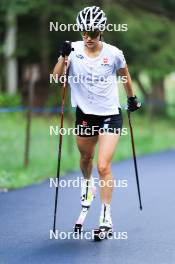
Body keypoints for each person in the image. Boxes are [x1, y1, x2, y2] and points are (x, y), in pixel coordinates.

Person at [53, 6, 140, 233]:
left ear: (101, 31)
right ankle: (87, 185)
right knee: (85, 159)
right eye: (84, 32)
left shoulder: (114, 53)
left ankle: (106, 218)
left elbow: (126, 77)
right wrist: (63, 58)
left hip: (110, 114)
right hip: (85, 114)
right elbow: (56, 77)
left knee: (103, 165)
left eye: (92, 32)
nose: (87, 37)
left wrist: (132, 99)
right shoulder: (72, 50)